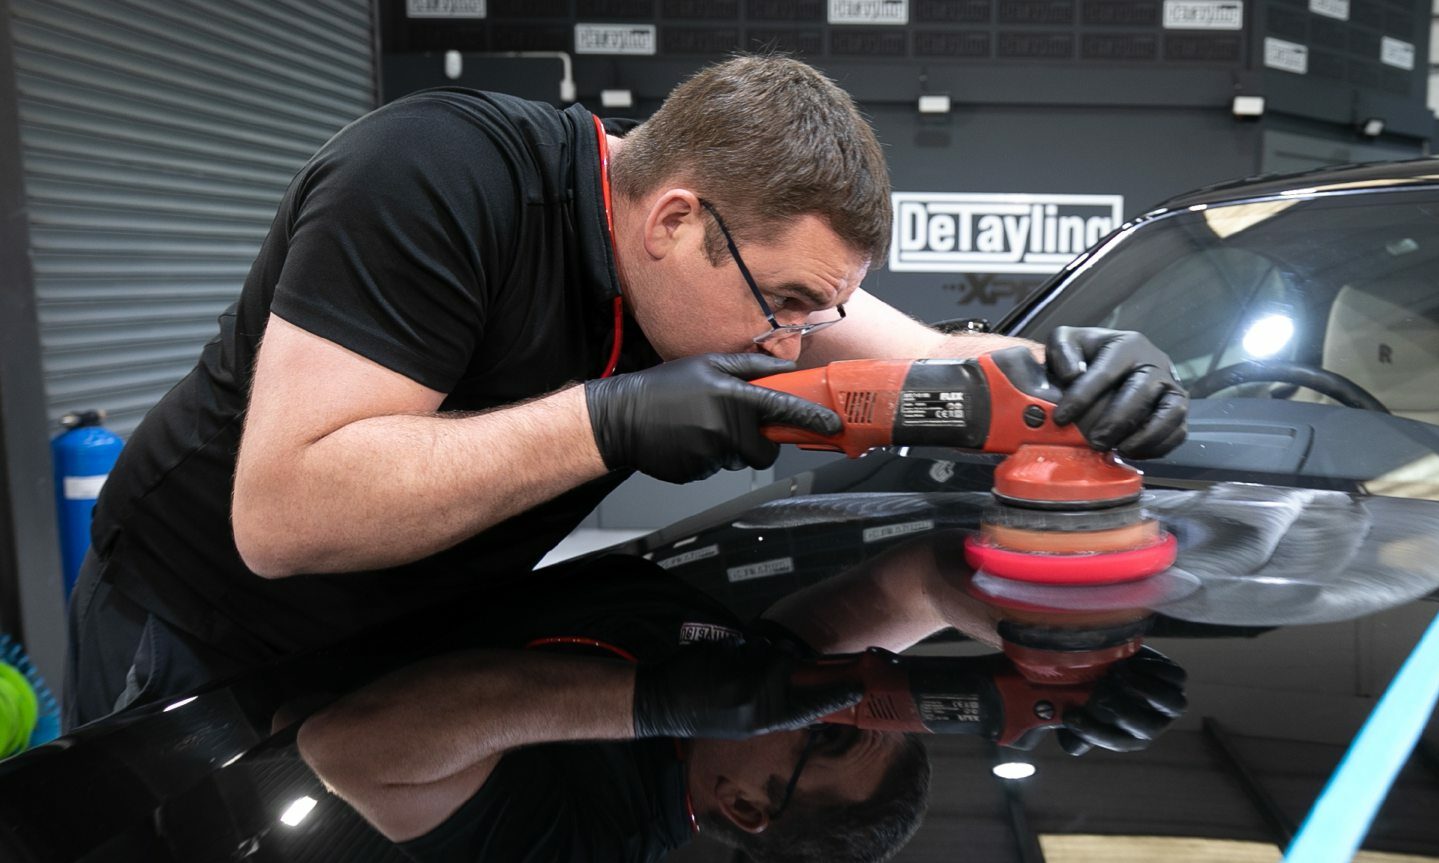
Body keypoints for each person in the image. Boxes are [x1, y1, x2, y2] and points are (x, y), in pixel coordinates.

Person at [64, 54, 1188, 730]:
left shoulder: (741, 256)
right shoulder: (432, 178)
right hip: (199, 623)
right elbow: (286, 516)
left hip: (419, 624)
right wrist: (605, 423)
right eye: (786, 304)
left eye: (816, 310)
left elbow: (934, 362)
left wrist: (1074, 379)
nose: (796, 340)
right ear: (673, 221)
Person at [297, 535, 1186, 863]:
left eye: (831, 736)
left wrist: (658, 702)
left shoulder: (586, 837)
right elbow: (921, 579)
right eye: (870, 707)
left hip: (259, 620)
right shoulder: (779, 681)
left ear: (746, 803)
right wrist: (1056, 649)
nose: (837, 698)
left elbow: (346, 747)